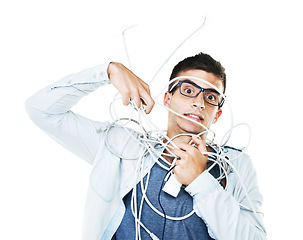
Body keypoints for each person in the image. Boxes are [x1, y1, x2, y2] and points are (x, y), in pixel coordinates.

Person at [25, 53, 266, 240]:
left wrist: (201, 182)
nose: (199, 102)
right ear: (167, 98)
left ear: (218, 114)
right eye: (189, 90)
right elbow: (41, 109)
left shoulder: (235, 167)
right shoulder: (122, 147)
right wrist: (108, 71)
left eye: (210, 97)